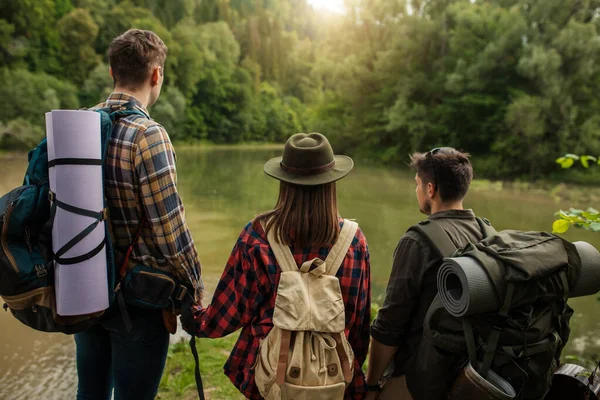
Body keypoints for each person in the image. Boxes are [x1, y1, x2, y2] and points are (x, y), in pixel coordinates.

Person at [184, 133, 371, 399]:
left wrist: (194, 319)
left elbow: (228, 313)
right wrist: (349, 366)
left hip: (271, 380)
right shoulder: (354, 241)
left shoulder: (258, 237)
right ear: (331, 183)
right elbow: (360, 321)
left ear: (284, 183)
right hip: (334, 378)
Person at [75, 29, 203, 400]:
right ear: (156, 74)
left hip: (82, 287)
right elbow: (170, 230)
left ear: (112, 71)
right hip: (138, 301)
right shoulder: (149, 135)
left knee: (90, 393)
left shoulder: (80, 125)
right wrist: (195, 286)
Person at [365, 147, 482, 399]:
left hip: (420, 381)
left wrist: (372, 384)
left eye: (418, 184)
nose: (417, 191)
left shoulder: (417, 241)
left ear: (430, 190)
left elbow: (390, 325)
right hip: (470, 377)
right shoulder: (487, 234)